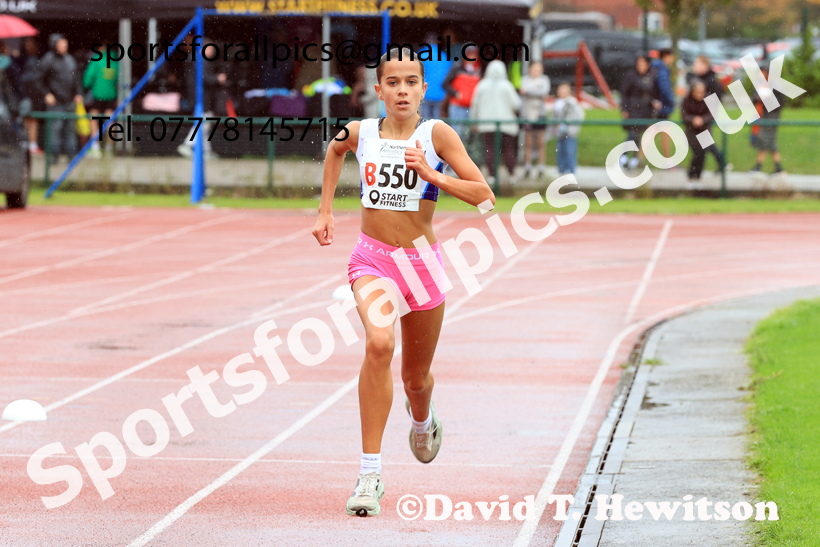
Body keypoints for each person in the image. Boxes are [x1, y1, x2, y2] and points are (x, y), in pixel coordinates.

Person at [312, 46, 494, 518]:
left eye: (411, 81)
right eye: (393, 82)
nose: (402, 90)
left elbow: (485, 197)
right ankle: (369, 474)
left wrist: (432, 173)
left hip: (422, 265)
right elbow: (334, 149)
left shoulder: (438, 134)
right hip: (372, 259)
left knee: (416, 379)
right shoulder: (360, 131)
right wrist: (326, 209)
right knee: (377, 345)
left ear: (423, 88)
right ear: (378, 90)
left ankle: (422, 418)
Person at [470, 59, 522, 185]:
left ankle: (492, 176)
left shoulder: (482, 85)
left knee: (490, 149)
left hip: (487, 124)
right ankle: (511, 174)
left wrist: (474, 121)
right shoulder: (507, 86)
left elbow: (474, 105)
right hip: (507, 124)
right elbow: (517, 104)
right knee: (508, 149)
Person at [38, 34, 83, 162]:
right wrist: (46, 94)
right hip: (55, 102)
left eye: (65, 44)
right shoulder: (48, 59)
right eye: (61, 44)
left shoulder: (70, 60)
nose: (64, 47)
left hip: (70, 101)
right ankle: (53, 157)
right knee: (54, 129)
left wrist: (78, 93)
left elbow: (76, 79)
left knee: (70, 130)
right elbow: (38, 79)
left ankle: (71, 156)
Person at [681, 79, 728, 188]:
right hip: (692, 131)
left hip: (704, 130)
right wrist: (693, 119)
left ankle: (697, 177)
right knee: (697, 153)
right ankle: (691, 176)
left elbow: (712, 114)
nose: (700, 94)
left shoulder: (708, 99)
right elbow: (684, 115)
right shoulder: (687, 100)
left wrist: (702, 119)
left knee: (702, 154)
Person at [620, 53, 660, 170]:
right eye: (639, 63)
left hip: (645, 110)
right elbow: (624, 93)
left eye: (644, 63)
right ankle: (624, 157)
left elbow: (653, 93)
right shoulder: (631, 76)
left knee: (639, 135)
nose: (641, 66)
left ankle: (634, 158)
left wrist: (654, 102)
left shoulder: (652, 76)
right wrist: (625, 109)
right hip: (633, 109)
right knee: (632, 133)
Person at [749, 66, 785, 178]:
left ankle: (759, 167)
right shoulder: (760, 85)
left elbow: (780, 102)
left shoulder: (775, 86)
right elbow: (754, 98)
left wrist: (767, 98)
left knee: (766, 140)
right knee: (768, 141)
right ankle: (778, 169)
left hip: (771, 117)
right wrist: (759, 97)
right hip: (763, 116)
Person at [83, 54, 119, 158]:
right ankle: (109, 148)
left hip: (97, 94)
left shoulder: (97, 60)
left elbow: (87, 79)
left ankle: (95, 147)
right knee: (110, 120)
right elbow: (118, 78)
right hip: (111, 95)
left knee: (93, 119)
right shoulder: (115, 61)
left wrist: (85, 88)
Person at [441, 46, 481, 139]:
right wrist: (456, 93)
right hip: (457, 107)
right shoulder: (457, 68)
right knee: (457, 133)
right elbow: (445, 84)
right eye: (470, 54)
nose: (472, 57)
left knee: (469, 135)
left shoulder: (478, 70)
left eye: (474, 54)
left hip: (471, 107)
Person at [519, 61, 550, 179]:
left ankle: (541, 167)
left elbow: (544, 92)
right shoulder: (524, 79)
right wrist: (535, 92)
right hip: (528, 114)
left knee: (541, 142)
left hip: (540, 114)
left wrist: (529, 91)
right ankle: (528, 167)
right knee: (528, 142)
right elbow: (523, 92)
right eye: (534, 68)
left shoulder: (544, 80)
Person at [16, 37, 44, 154]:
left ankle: (31, 144)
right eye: (26, 44)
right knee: (26, 119)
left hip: (31, 94)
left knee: (31, 119)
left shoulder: (34, 60)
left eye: (30, 44)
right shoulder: (22, 60)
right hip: (25, 94)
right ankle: (29, 144)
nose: (28, 47)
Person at [551, 82, 585, 175]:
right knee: (560, 151)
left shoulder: (572, 102)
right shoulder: (557, 102)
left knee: (570, 151)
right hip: (559, 131)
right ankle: (561, 170)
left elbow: (578, 115)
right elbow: (554, 117)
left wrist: (573, 127)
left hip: (570, 131)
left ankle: (571, 171)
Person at [420, 30, 453, 119]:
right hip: (440, 94)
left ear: (425, 41)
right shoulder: (444, 56)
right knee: (436, 122)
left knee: (424, 122)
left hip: (424, 93)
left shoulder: (421, 55)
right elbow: (450, 76)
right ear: (437, 42)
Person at [650, 48, 675, 158]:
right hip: (662, 107)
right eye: (672, 56)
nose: (673, 59)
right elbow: (664, 88)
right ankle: (667, 161)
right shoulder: (662, 70)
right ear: (666, 56)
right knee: (663, 134)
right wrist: (671, 101)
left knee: (651, 134)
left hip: (656, 105)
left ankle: (638, 160)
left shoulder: (655, 67)